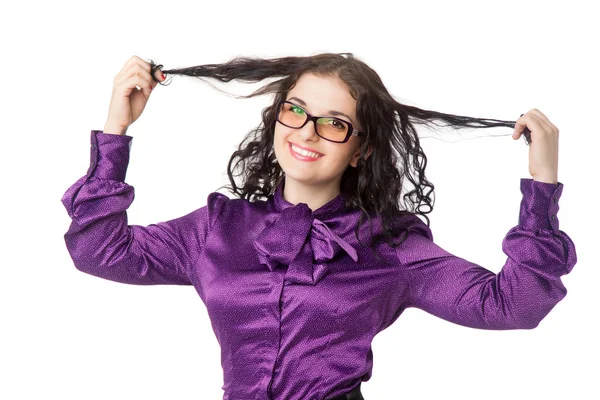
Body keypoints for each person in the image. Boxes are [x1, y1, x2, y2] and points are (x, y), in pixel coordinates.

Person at [61, 54, 577, 400]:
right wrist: (116, 130)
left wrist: (541, 189)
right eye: (296, 111)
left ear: (362, 149)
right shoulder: (217, 229)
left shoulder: (390, 247)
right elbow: (98, 250)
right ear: (277, 119)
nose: (308, 132)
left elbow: (515, 306)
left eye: (334, 122)